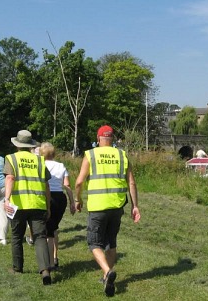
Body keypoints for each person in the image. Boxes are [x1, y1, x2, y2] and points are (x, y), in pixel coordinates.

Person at [74, 125, 141, 297]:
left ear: (98, 139)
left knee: (94, 243)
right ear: (113, 139)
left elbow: (79, 182)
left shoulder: (91, 154)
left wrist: (77, 199)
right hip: (117, 206)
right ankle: (106, 277)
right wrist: (135, 206)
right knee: (111, 242)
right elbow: (131, 183)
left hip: (98, 206)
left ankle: (107, 271)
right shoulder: (122, 155)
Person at [3, 130, 52, 285]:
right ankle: (45, 270)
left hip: (18, 205)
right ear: (30, 145)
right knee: (40, 237)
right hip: (38, 203)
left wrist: (6, 199)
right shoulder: (39, 160)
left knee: (17, 236)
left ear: (17, 144)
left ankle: (17, 267)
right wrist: (48, 206)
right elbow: (46, 185)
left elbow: (10, 178)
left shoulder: (11, 158)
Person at [39, 142, 76, 270]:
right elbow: (67, 186)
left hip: (47, 197)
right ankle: (55, 257)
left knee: (48, 232)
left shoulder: (40, 164)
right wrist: (72, 202)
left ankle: (49, 263)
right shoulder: (61, 166)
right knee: (54, 228)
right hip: (60, 198)